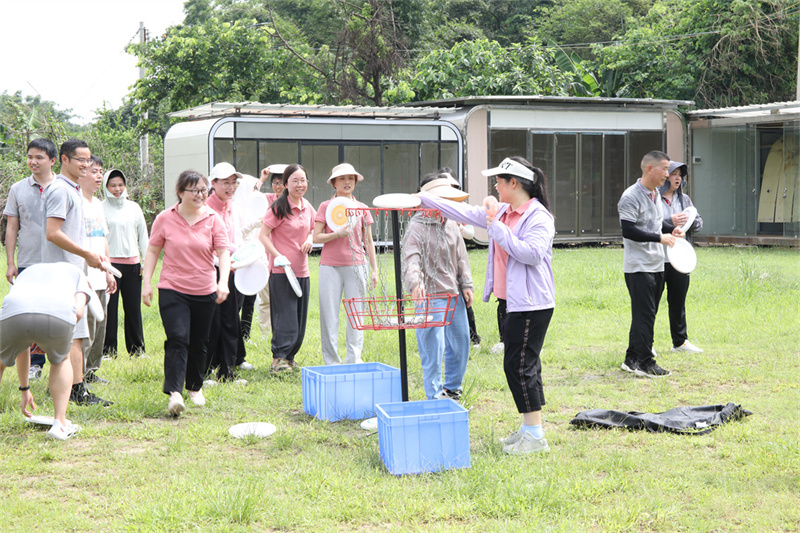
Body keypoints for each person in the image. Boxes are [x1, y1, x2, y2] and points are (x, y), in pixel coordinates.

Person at [418, 156, 556, 455]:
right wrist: (425, 199)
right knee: (523, 365)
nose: (495, 186)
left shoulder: (538, 217)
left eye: (499, 181)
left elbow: (532, 254)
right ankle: (529, 429)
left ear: (513, 183)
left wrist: (497, 230)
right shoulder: (505, 211)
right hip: (512, 302)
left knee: (519, 367)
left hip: (532, 304)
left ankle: (535, 436)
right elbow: (467, 212)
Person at [142, 170, 231, 416]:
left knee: (199, 341)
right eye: (194, 190)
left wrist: (222, 282)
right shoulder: (164, 218)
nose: (200, 194)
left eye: (204, 190)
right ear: (180, 193)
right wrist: (146, 283)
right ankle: (175, 393)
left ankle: (194, 386)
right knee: (178, 338)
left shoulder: (214, 219)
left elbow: (223, 252)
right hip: (173, 288)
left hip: (205, 289)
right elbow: (152, 251)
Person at [45, 139, 112, 406]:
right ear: (64, 159)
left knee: (77, 334)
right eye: (80, 160)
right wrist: (85, 255)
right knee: (72, 334)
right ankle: (74, 391)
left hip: (74, 272)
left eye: (88, 160)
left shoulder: (72, 190)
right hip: (63, 274)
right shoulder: (61, 190)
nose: (85, 164)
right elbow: (52, 233)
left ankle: (75, 388)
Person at [0, 263, 96, 439]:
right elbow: (78, 313)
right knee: (61, 360)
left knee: (0, 361)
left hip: (14, 310)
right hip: (58, 311)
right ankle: (60, 424)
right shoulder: (81, 276)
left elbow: (23, 348)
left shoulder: (29, 271)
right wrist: (54, 343)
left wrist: (25, 389)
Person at [404, 173, 473, 400]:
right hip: (429, 297)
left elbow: (461, 256)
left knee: (461, 342)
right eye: (443, 200)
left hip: (453, 294)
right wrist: (415, 283)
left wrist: (466, 284)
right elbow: (410, 258)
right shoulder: (416, 226)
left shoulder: (451, 224)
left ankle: (452, 388)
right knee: (433, 349)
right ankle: (433, 394)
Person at [618, 150, 684, 379]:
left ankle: (632, 358)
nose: (668, 174)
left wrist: (669, 229)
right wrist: (659, 238)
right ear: (649, 169)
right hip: (639, 267)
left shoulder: (655, 193)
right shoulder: (631, 196)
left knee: (645, 314)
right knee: (644, 315)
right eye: (665, 169)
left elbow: (654, 224)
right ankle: (646, 362)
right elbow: (628, 230)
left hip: (656, 264)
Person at [2, 138, 59, 383]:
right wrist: (10, 262)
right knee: (29, 314)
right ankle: (35, 365)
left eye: (39, 157)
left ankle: (61, 361)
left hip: (58, 263)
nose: (32, 162)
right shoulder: (17, 189)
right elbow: (12, 227)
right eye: (30, 157)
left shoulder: (63, 187)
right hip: (27, 262)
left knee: (54, 312)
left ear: (53, 160)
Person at [313, 163, 378, 365]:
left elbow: (369, 241)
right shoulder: (325, 206)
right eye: (342, 178)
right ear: (334, 183)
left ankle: (354, 360)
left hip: (357, 266)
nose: (347, 182)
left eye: (351, 178)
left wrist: (374, 270)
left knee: (357, 315)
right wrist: (336, 234)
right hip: (330, 266)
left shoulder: (362, 207)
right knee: (329, 316)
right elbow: (316, 237)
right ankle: (332, 362)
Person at [258, 164, 315, 372]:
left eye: (303, 180)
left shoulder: (307, 206)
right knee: (285, 316)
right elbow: (262, 236)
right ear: (285, 185)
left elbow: (313, 228)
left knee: (299, 317)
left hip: (302, 270)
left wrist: (310, 238)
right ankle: (278, 359)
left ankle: (290, 357)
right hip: (282, 272)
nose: (300, 185)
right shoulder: (278, 208)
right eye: (295, 181)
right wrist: (278, 256)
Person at [204, 162, 246, 382]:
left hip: (230, 268)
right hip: (210, 269)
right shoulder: (206, 208)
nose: (231, 187)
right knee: (212, 321)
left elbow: (236, 238)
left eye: (234, 183)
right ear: (213, 183)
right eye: (226, 183)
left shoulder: (232, 206)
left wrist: (238, 259)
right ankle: (206, 368)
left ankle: (227, 370)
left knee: (230, 319)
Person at [102, 168, 149, 357]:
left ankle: (137, 349)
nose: (117, 189)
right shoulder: (100, 207)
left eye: (120, 185)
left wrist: (145, 262)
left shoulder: (134, 208)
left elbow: (144, 236)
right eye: (112, 185)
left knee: (133, 309)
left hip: (133, 266)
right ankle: (108, 350)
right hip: (110, 265)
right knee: (109, 310)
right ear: (105, 187)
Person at [79, 155, 117, 384]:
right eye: (94, 171)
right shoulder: (76, 202)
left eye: (100, 171)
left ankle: (91, 370)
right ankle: (77, 376)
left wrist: (109, 270)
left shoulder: (98, 204)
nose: (99, 176)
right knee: (86, 328)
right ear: (81, 172)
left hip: (100, 275)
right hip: (84, 276)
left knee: (100, 327)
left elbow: (103, 239)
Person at [658, 161, 704, 354]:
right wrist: (671, 223)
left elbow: (699, 222)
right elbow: (648, 224)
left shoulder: (685, 200)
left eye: (680, 175)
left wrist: (686, 225)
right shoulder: (654, 197)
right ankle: (646, 344)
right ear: (664, 176)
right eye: (673, 174)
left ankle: (680, 342)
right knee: (650, 304)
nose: (677, 178)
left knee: (678, 302)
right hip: (658, 258)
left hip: (680, 260)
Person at [231, 173, 267, 370]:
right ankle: (234, 347)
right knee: (235, 304)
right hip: (240, 260)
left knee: (251, 301)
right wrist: (254, 223)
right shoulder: (237, 210)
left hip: (256, 260)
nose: (257, 191)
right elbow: (241, 234)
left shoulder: (257, 208)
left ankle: (245, 334)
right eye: (254, 188)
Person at [255, 163, 288, 336]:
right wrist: (262, 179)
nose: (277, 186)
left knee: (283, 298)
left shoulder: (293, 201)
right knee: (265, 297)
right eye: (275, 183)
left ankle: (281, 331)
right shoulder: (267, 199)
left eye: (281, 183)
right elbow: (251, 194)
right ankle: (265, 333)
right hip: (264, 253)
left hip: (284, 254)